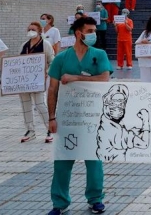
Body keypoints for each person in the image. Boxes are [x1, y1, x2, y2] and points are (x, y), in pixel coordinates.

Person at [46, 17, 111, 215]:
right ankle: (60, 202)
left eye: (94, 31)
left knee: (94, 160)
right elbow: (53, 89)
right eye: (89, 31)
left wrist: (75, 77)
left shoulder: (99, 55)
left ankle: (95, 199)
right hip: (68, 118)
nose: (93, 34)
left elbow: (104, 78)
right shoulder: (62, 58)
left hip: (93, 117)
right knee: (63, 161)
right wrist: (51, 118)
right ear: (78, 33)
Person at [18, 21, 55, 142]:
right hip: (24, 81)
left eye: (33, 29)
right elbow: (18, 62)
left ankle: (50, 129)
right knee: (26, 105)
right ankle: (30, 130)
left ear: (39, 31)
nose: (30, 31)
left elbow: (52, 61)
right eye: (29, 29)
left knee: (40, 105)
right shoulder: (24, 45)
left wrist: (46, 73)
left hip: (38, 80)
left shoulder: (45, 44)